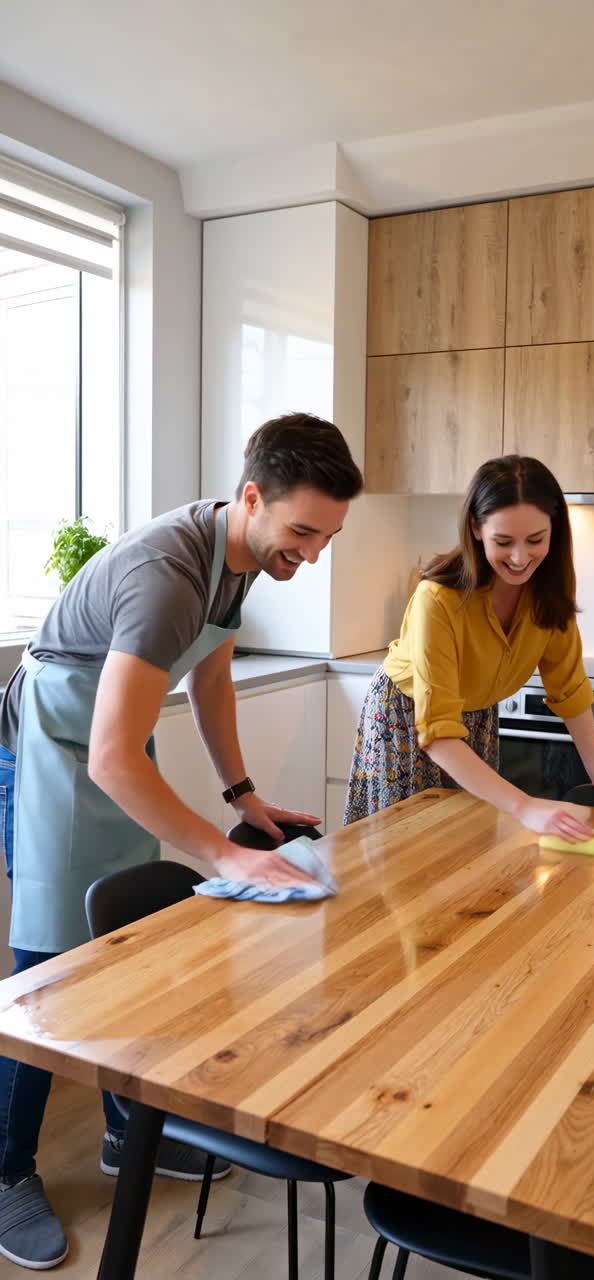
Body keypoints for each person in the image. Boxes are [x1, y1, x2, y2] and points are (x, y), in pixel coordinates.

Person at [0, 411, 363, 1270]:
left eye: (327, 536)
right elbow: (114, 760)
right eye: (302, 531)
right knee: (45, 973)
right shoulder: (168, 573)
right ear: (251, 498)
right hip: (58, 746)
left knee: (129, 948)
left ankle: (129, 1132)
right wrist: (225, 853)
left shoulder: (238, 561)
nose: (310, 554)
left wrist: (245, 798)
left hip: (107, 740)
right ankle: (7, 1169)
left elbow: (210, 683)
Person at [344, 454, 594, 838]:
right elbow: (438, 731)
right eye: (503, 542)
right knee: (409, 847)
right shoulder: (438, 599)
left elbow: (569, 689)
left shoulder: (548, 595)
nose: (521, 558)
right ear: (475, 528)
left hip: (476, 718)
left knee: (469, 841)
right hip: (406, 718)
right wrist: (524, 806)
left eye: (535, 540)